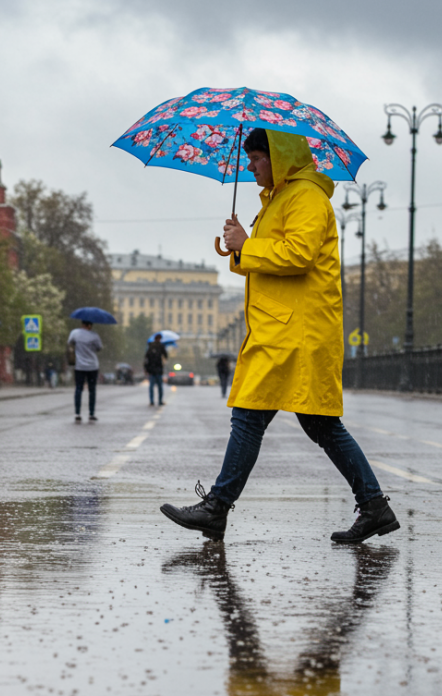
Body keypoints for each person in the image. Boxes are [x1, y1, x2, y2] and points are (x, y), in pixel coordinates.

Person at [159, 127, 399, 544]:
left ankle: (217, 507)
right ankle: (374, 506)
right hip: (283, 328)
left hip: (296, 331)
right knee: (321, 425)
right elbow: (269, 258)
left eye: (256, 159)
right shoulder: (279, 199)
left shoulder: (305, 197)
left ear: (279, 158)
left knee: (251, 416)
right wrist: (239, 247)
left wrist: (248, 244)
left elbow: (299, 255)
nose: (250, 168)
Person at [67, 320, 103, 422]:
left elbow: (70, 342)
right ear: (90, 325)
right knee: (92, 390)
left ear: (82, 324)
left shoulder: (75, 333)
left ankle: (77, 413)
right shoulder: (94, 335)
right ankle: (91, 413)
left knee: (78, 389)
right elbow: (99, 348)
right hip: (92, 366)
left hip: (79, 366)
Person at [144, 334, 167, 406]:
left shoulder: (151, 346)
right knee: (159, 386)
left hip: (152, 369)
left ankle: (152, 401)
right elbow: (166, 356)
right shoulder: (160, 346)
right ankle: (159, 401)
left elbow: (146, 358)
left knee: (152, 387)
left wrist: (146, 368)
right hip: (157, 369)